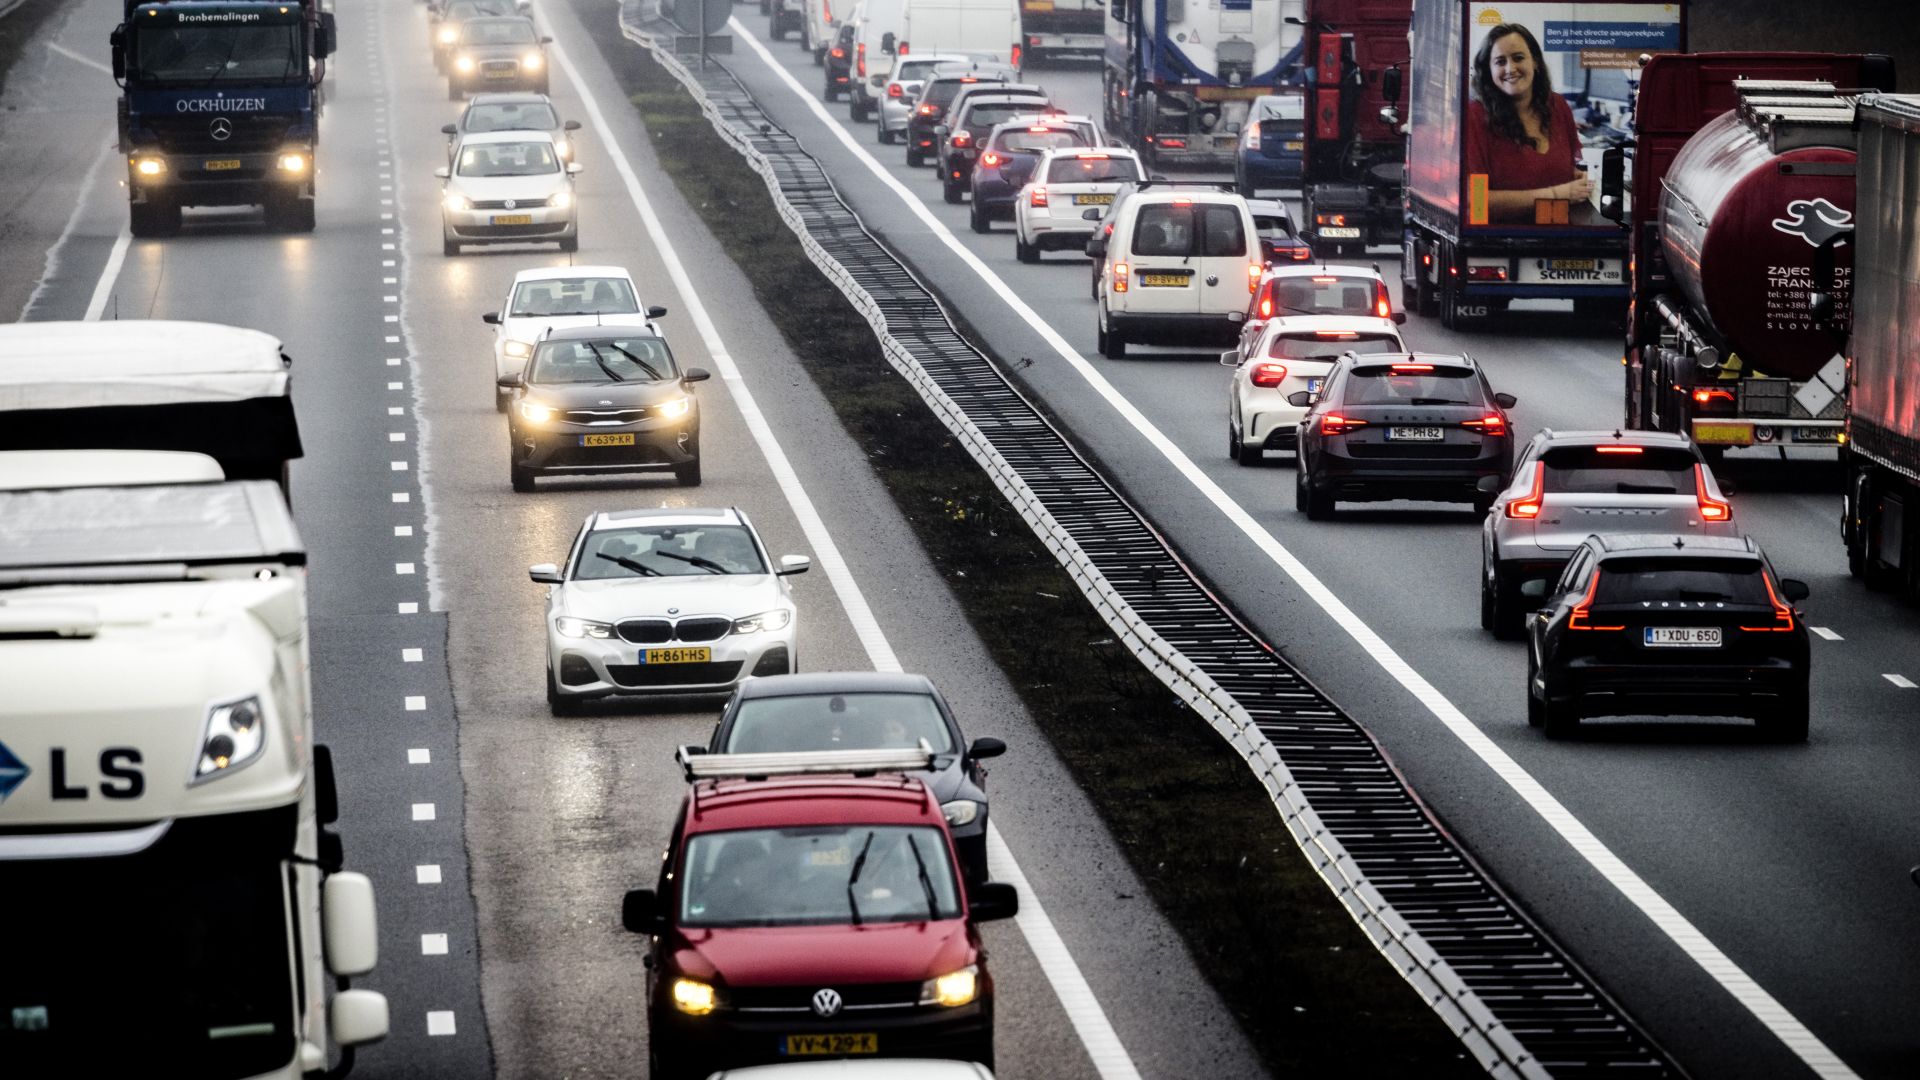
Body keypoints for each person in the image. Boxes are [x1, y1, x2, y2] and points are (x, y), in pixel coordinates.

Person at [1464, 23, 1592, 222]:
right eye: (1500, 61)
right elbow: (1478, 204)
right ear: (1489, 70)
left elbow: (1560, 167)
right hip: (1501, 244)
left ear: (1535, 62)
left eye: (1518, 58)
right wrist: (1556, 194)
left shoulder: (1558, 105)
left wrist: (1577, 178)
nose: (1510, 68)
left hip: (1560, 233)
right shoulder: (1475, 118)